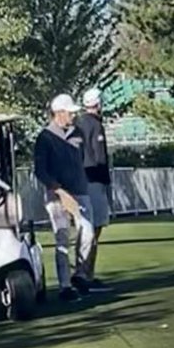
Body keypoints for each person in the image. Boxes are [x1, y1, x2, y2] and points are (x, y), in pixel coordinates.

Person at [33, 93, 95, 301]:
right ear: (59, 113)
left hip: (79, 191)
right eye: (70, 113)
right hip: (56, 194)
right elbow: (41, 171)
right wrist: (59, 191)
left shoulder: (77, 133)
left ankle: (80, 273)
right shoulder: (45, 138)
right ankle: (65, 286)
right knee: (61, 237)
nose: (74, 117)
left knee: (88, 232)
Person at [74, 87, 112, 291]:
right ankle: (85, 273)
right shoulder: (95, 125)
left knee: (87, 229)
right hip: (94, 181)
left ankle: (85, 272)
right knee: (93, 229)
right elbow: (99, 157)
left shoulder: (78, 124)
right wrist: (106, 181)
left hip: (82, 181)